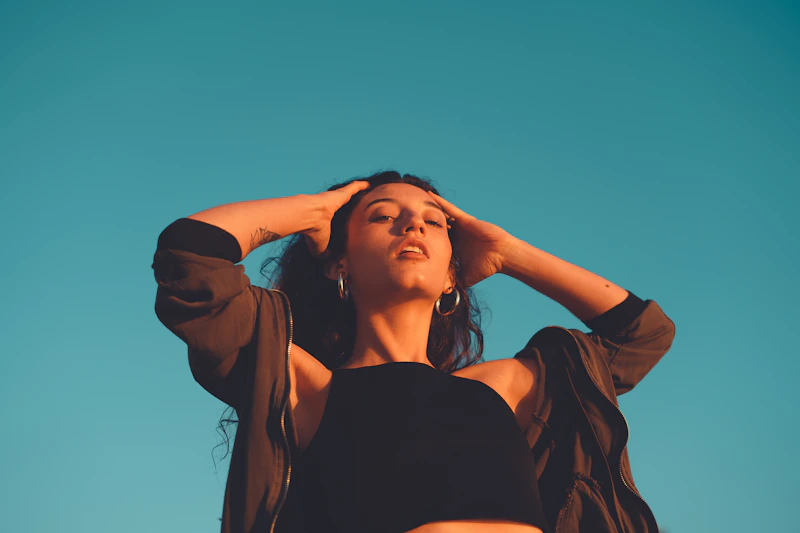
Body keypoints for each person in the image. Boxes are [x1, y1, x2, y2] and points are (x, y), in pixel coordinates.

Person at [152, 170, 675, 533]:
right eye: (382, 216)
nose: (413, 224)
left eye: (433, 219)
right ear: (339, 264)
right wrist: (315, 211)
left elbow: (642, 334)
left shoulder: (506, 389)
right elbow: (193, 260)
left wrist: (508, 253)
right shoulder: (307, 388)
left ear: (452, 272)